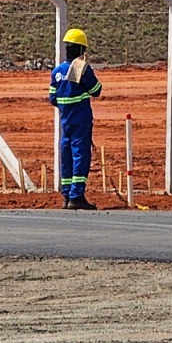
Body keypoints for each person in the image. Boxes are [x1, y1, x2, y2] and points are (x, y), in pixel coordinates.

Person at [49, 27, 102, 210]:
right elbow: (97, 90)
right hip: (81, 120)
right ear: (81, 50)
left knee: (67, 156)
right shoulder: (81, 69)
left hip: (66, 121)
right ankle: (76, 195)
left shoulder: (56, 71)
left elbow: (53, 98)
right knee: (80, 155)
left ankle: (66, 195)